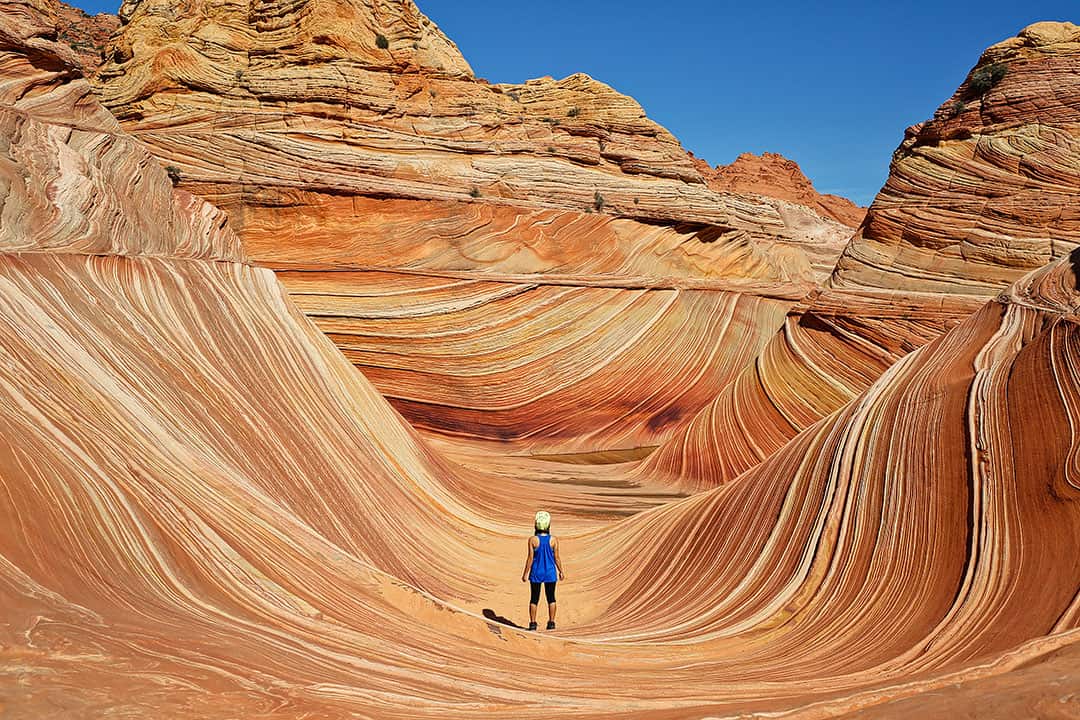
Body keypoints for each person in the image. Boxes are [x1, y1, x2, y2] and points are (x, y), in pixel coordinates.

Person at [521, 510, 565, 631]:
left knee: (534, 598)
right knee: (551, 597)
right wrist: (561, 571)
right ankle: (551, 623)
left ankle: (533, 624)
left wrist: (525, 573)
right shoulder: (554, 540)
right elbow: (557, 557)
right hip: (550, 573)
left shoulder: (533, 540)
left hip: (536, 572)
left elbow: (530, 558)